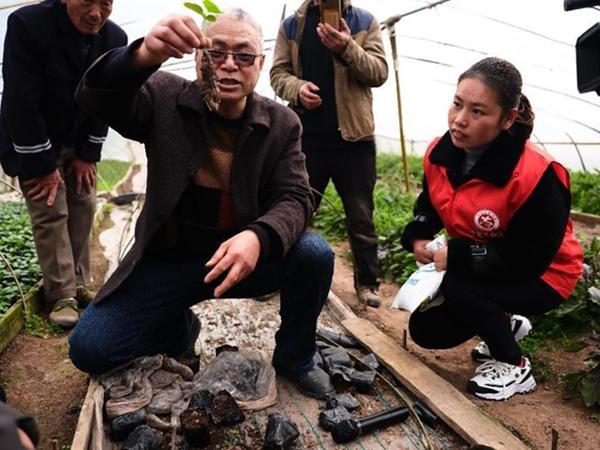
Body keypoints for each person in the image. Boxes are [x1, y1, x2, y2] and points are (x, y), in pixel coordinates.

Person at [68, 9, 336, 400]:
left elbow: (296, 196)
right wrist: (143, 55)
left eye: (243, 55)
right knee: (91, 347)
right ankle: (178, 328)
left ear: (260, 65)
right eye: (215, 53)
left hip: (238, 263)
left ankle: (296, 358)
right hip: (169, 261)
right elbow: (96, 97)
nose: (228, 65)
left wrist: (259, 237)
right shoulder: (163, 98)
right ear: (197, 58)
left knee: (314, 253)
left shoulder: (282, 124)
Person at [400, 57, 583, 401]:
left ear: (508, 118)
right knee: (427, 329)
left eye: (478, 112)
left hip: (547, 274)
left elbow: (530, 258)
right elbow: (430, 204)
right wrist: (420, 235)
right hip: (491, 261)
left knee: (460, 286)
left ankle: (514, 365)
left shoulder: (537, 174)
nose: (459, 120)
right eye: (457, 103)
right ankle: (506, 324)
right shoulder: (440, 154)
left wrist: (458, 255)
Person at [0, 0, 127, 327]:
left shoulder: (115, 39)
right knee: (51, 208)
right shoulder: (28, 25)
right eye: (87, 2)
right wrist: (42, 165)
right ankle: (61, 295)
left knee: (83, 203)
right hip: (35, 136)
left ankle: (80, 282)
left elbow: (110, 99)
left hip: (79, 136)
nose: (97, 13)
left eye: (106, 3)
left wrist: (87, 154)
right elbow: (20, 99)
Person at [270, 0, 388, 307]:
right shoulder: (292, 26)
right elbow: (278, 73)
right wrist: (297, 89)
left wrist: (347, 47)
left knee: (361, 216)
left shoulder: (364, 21)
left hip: (355, 140)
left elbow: (378, 73)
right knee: (296, 210)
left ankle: (367, 284)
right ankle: (278, 275)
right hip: (307, 139)